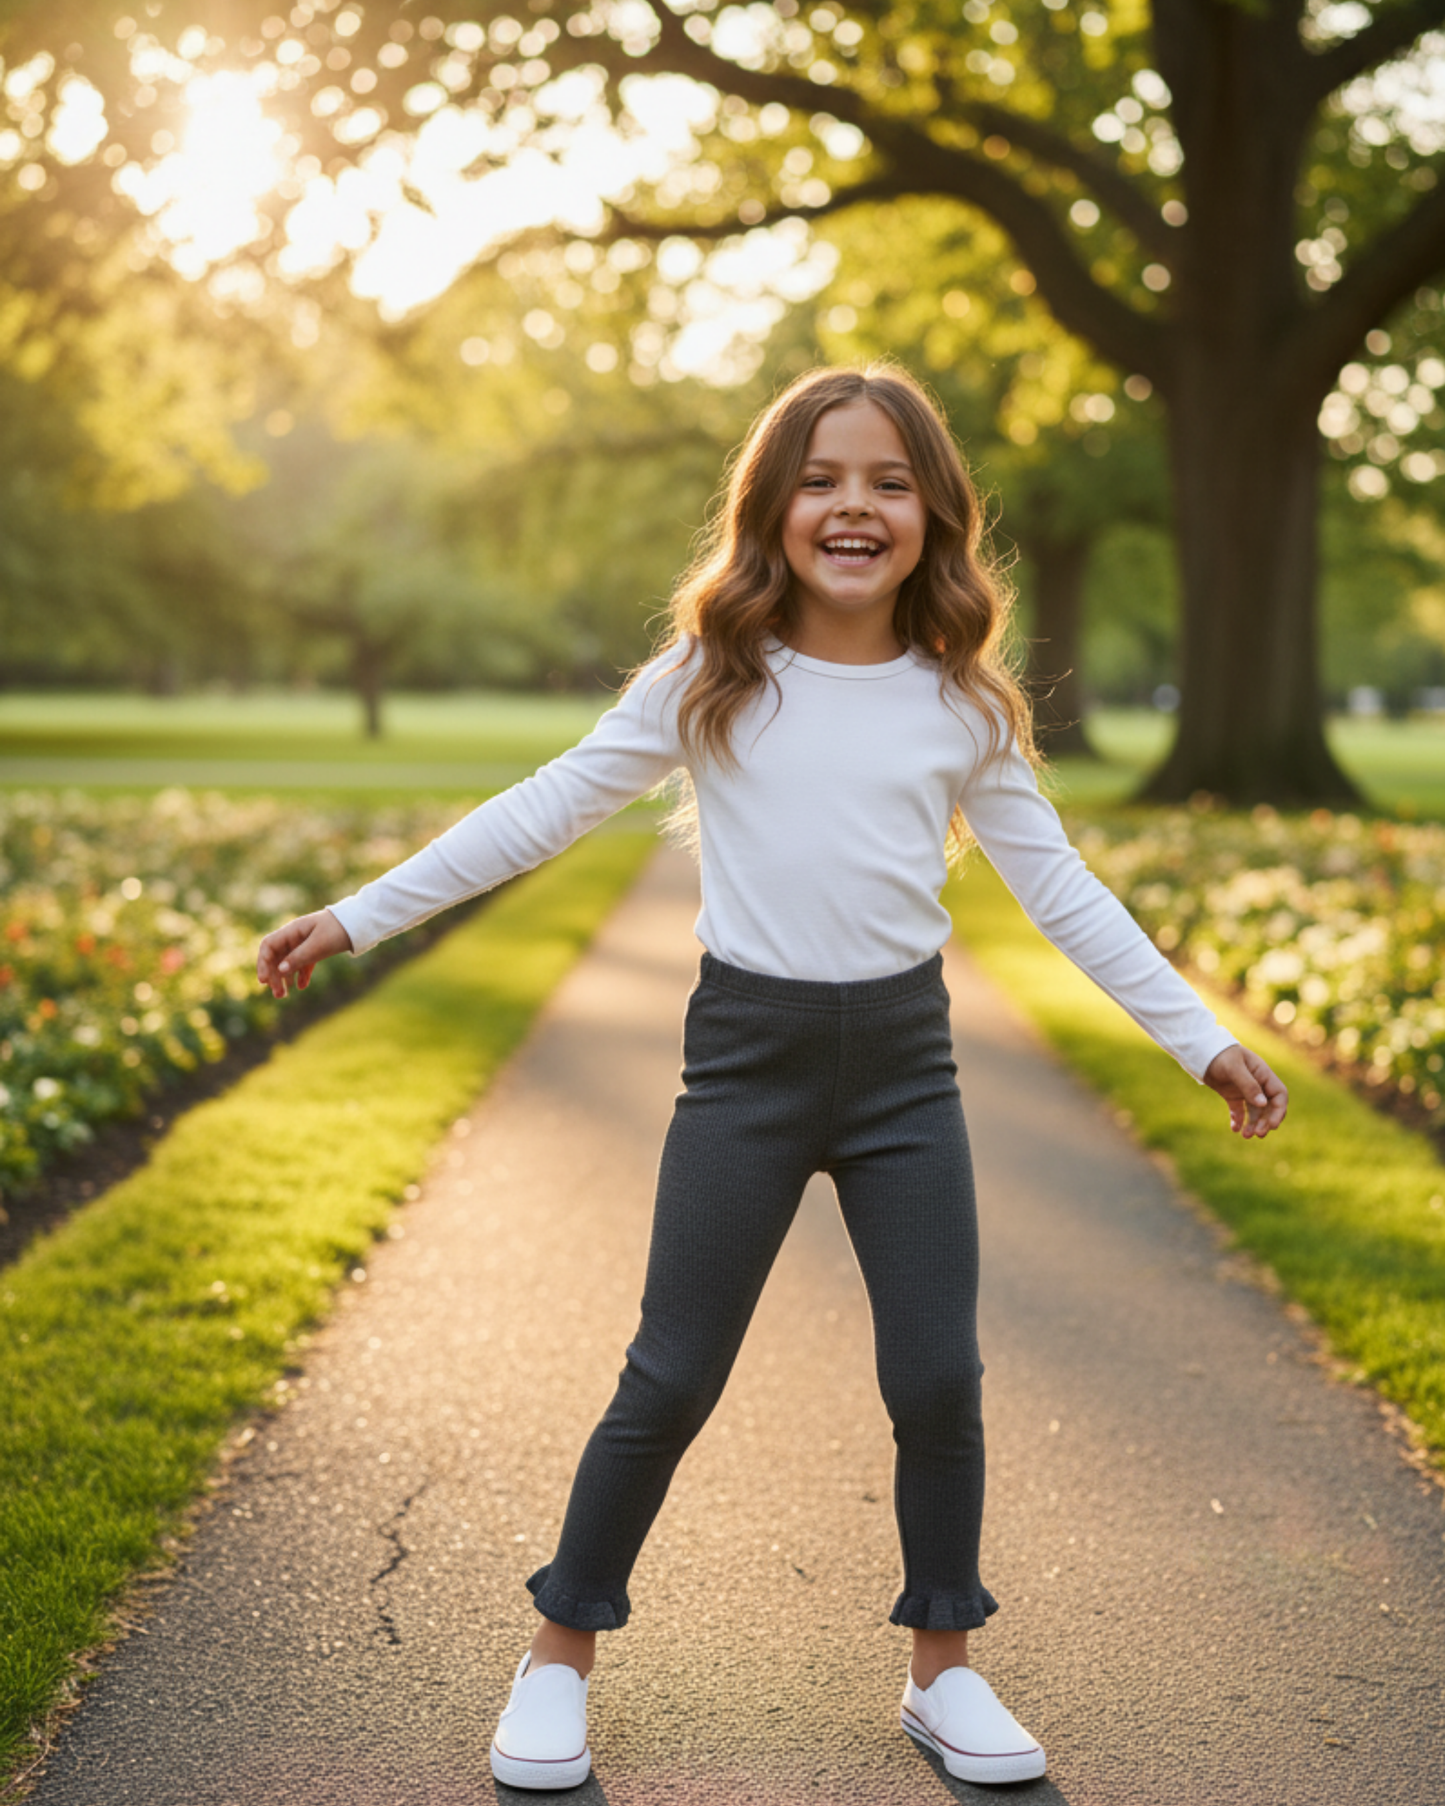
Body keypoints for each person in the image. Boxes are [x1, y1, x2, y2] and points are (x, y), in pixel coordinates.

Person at [256, 364, 1288, 1790]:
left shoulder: (962, 705)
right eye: (822, 480)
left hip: (906, 1075)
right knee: (672, 1370)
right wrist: (358, 915)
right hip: (745, 1064)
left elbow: (1061, 886)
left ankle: (943, 1673)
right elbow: (548, 805)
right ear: (771, 509)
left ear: (934, 514)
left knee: (938, 1376)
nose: (854, 507)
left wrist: (1200, 1036)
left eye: (888, 482)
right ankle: (556, 1656)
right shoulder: (712, 676)